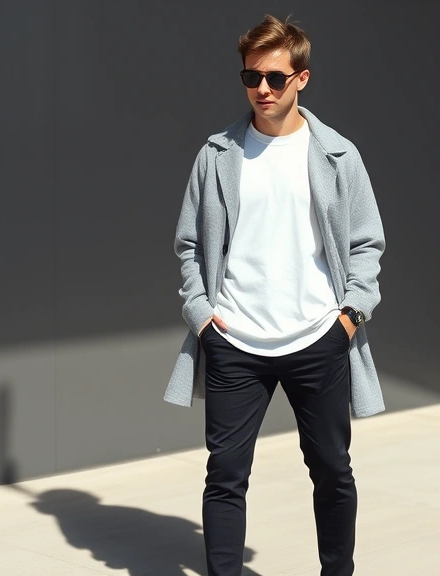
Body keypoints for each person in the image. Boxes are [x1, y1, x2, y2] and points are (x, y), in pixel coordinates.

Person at [164, 14, 386, 576]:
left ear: (301, 79)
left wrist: (352, 315)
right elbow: (188, 243)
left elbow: (367, 243)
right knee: (225, 476)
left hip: (319, 336)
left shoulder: (338, 156)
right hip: (236, 340)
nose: (262, 89)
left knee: (333, 469)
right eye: (251, 76)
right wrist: (202, 316)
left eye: (275, 78)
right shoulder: (217, 155)